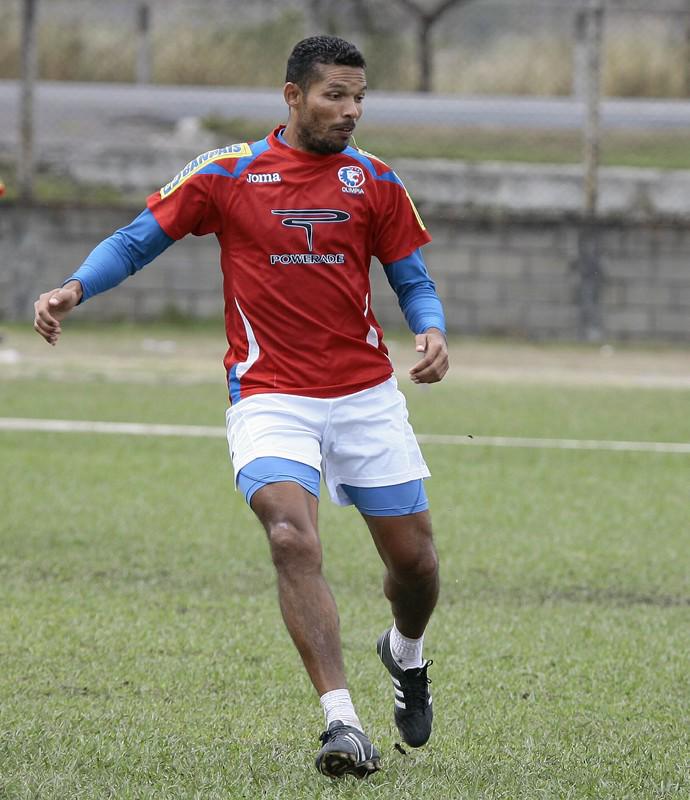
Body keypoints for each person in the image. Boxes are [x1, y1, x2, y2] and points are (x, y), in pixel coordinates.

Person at [34, 35, 448, 779]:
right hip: (269, 394)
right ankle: (342, 723)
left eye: (359, 97)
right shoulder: (228, 173)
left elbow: (411, 275)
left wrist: (431, 326)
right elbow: (137, 240)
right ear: (292, 96)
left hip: (363, 395)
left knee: (415, 564)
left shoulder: (375, 180)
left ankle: (406, 652)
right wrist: (75, 287)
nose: (350, 111)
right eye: (334, 96)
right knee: (292, 537)